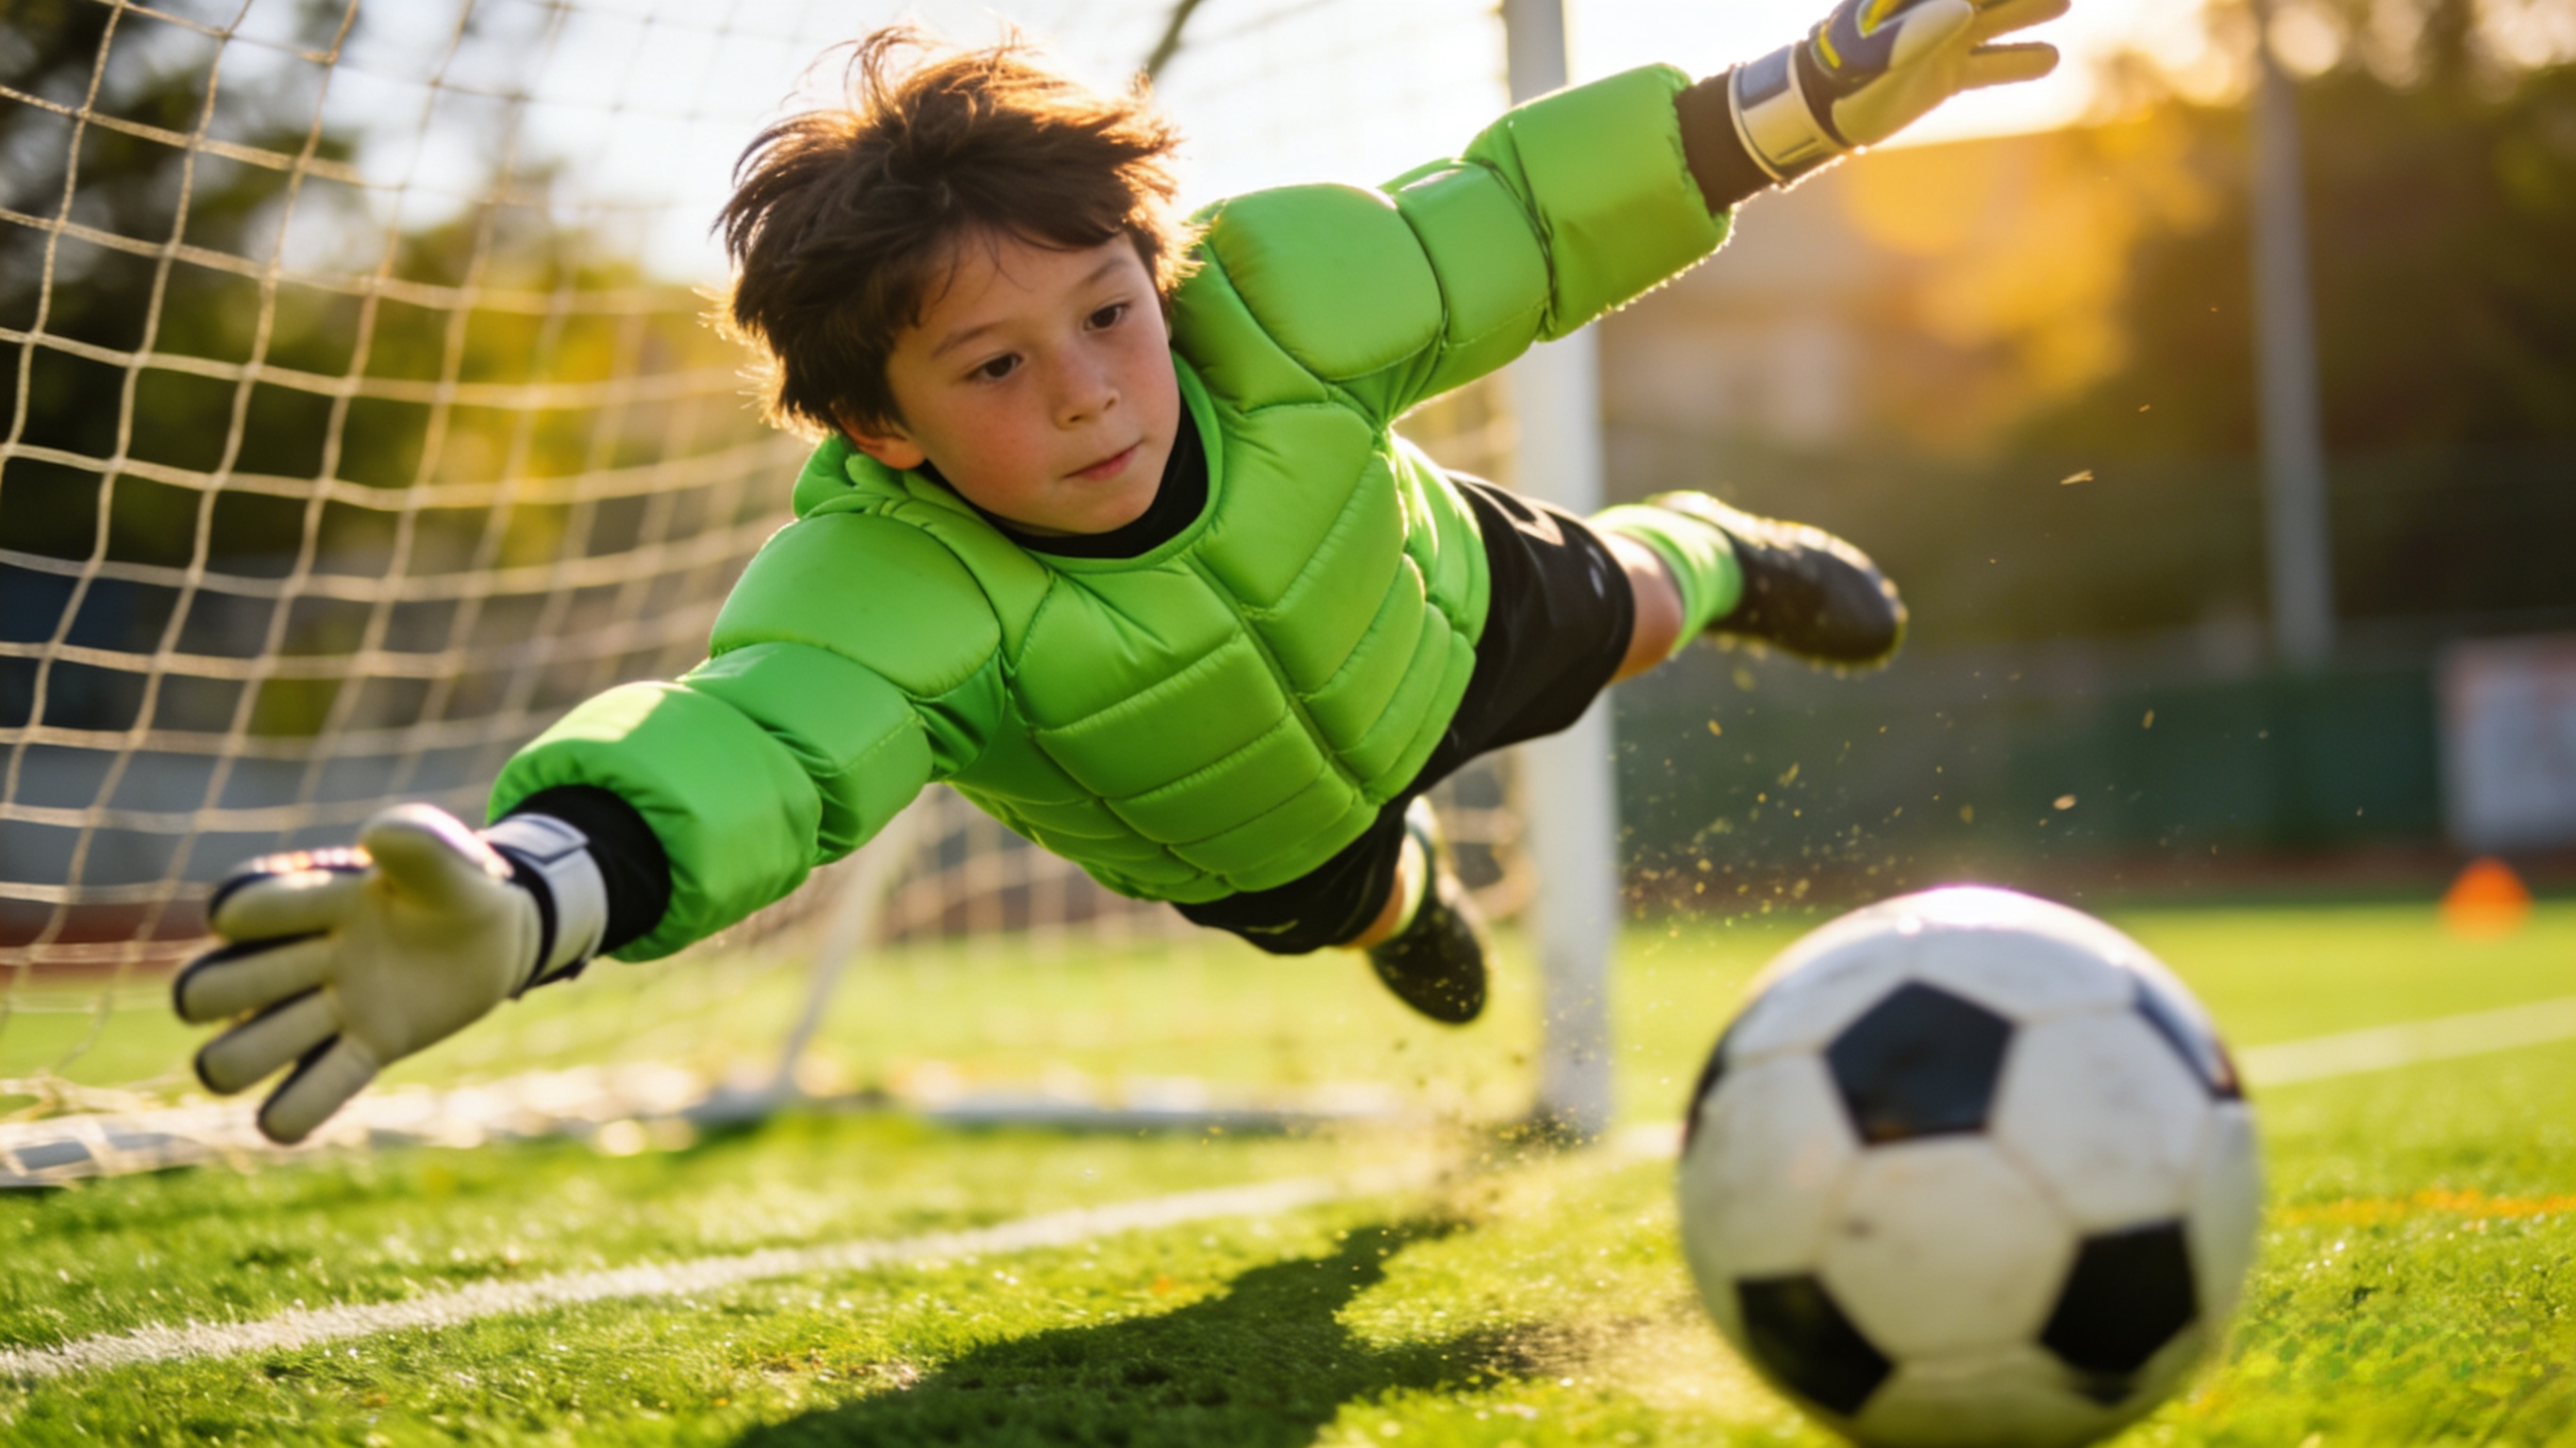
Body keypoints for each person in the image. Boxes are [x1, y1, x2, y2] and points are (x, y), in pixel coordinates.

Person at [174, 0, 2068, 1144]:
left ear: (1156, 275)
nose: (1089, 389)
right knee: (1350, 901)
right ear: (884, 426)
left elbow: (1514, 219)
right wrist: (537, 889)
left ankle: (1716, 549)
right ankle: (1403, 894)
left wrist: (1814, 90)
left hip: (1441, 608)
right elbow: (766, 744)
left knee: (1635, 612)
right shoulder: (881, 587)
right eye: (994, 370)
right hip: (1247, 833)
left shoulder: (1282, 300)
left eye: (1105, 313)